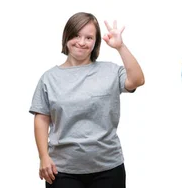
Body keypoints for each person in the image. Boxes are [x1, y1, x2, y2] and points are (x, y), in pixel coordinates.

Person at [29, 12, 145, 188]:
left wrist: (120, 47)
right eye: (76, 35)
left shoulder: (111, 71)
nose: (81, 42)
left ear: (96, 42)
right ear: (66, 37)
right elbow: (41, 119)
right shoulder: (49, 78)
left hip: (108, 168)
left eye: (89, 38)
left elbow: (137, 80)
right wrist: (43, 156)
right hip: (62, 170)